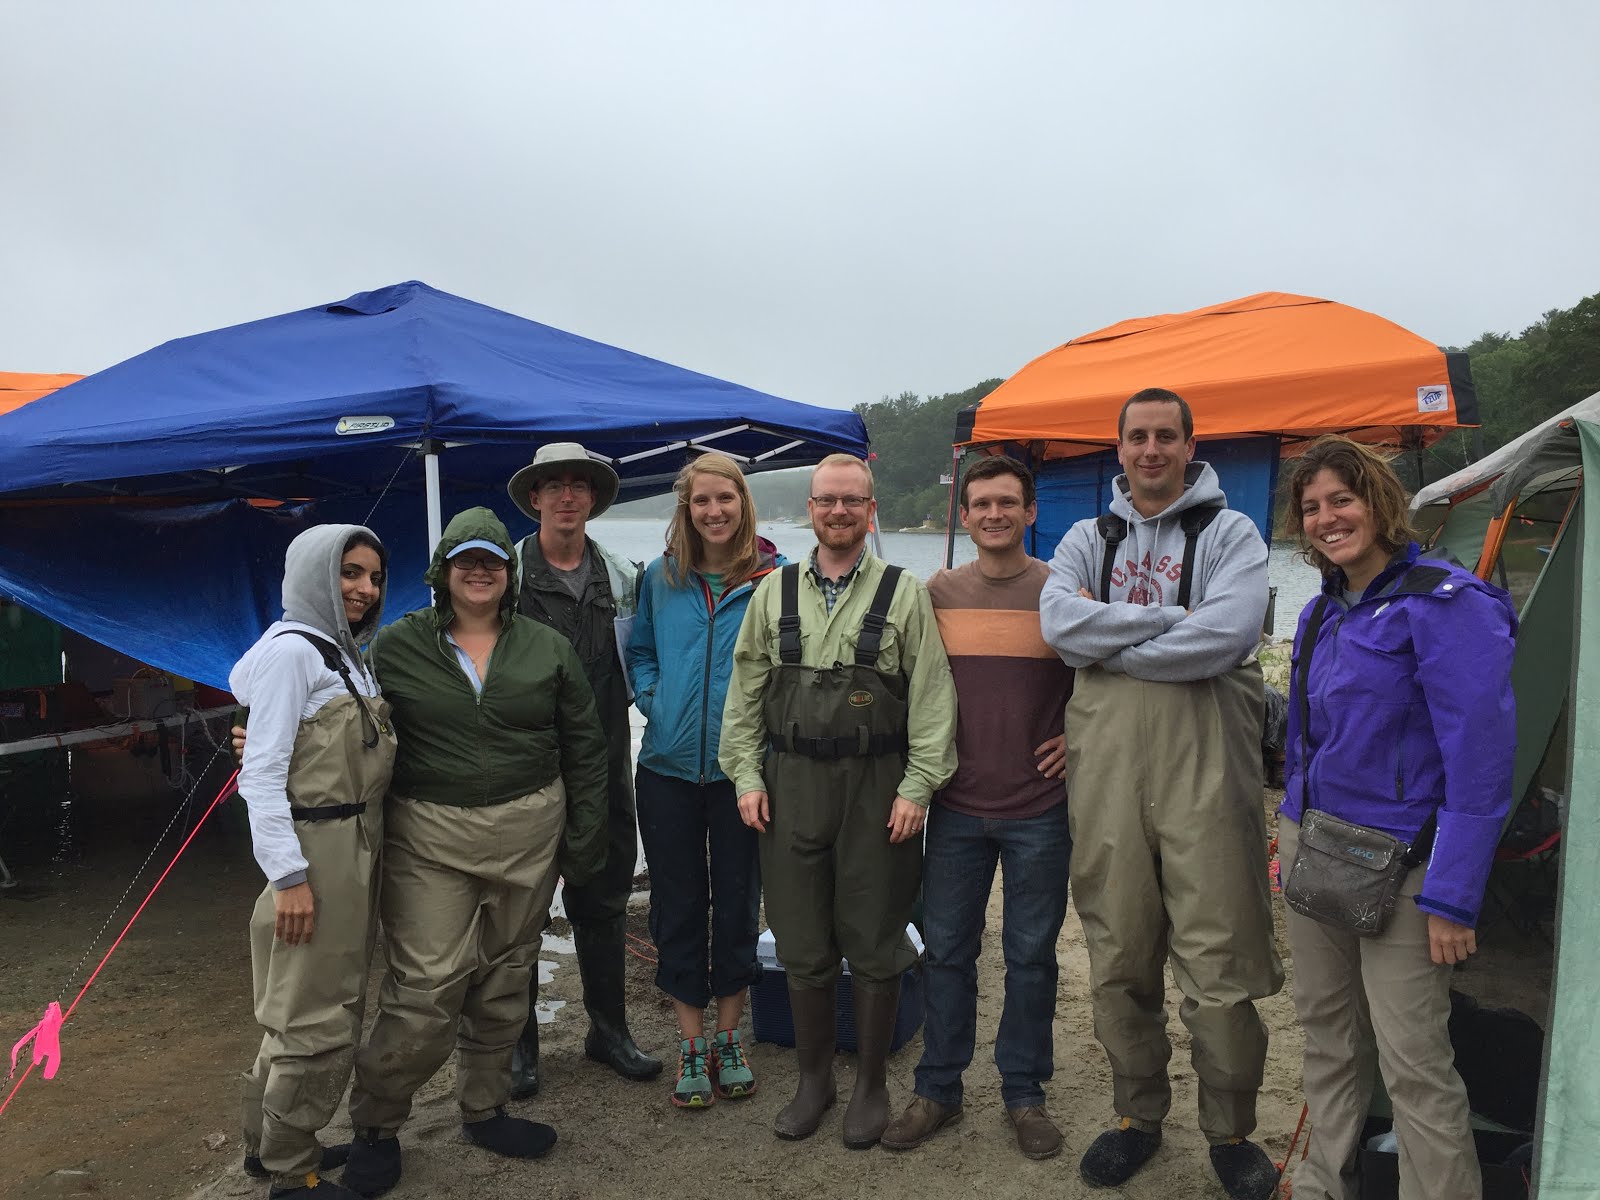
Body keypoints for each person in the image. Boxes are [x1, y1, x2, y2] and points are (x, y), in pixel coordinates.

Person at [1039, 388, 1283, 1199]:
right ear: (1120, 448)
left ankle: (1232, 1131)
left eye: (1165, 436)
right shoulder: (1086, 537)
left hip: (1208, 776)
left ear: (1188, 445)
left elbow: (1229, 635)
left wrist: (1110, 637)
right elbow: (1059, 627)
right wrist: (1176, 619)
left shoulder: (1231, 533)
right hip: (1108, 777)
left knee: (1220, 962)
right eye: (1137, 436)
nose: (1151, 450)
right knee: (1119, 955)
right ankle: (1137, 1116)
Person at [339, 508, 610, 1197]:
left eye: (492, 560)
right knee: (426, 987)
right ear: (442, 572)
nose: (480, 571)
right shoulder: (395, 646)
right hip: (430, 838)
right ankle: (375, 1124)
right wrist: (256, 728)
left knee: (506, 977)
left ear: (510, 573)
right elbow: (332, 703)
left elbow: (585, 747)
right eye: (467, 561)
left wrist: (584, 841)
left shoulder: (547, 647)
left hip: (530, 834)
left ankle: (485, 1107)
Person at [1278, 436, 1516, 1200]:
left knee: (1414, 1059)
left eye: (1341, 500)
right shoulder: (1321, 611)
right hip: (1319, 848)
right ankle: (1326, 1181)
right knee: (1328, 1036)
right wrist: (1290, 835)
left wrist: (1454, 896)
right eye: (1312, 507)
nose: (1327, 518)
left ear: (1379, 503)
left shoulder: (1447, 605)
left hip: (1409, 863)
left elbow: (1481, 764)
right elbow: (1304, 743)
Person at [720, 452, 957, 1148]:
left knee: (877, 937)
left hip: (877, 785)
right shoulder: (773, 592)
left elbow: (933, 698)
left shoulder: (905, 593)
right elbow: (744, 694)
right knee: (800, 938)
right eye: (827, 500)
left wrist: (918, 787)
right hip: (789, 783)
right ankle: (814, 1081)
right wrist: (746, 777)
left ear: (870, 510)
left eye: (852, 501)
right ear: (811, 509)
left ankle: (871, 1084)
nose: (839, 512)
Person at [881, 455, 1074, 1160]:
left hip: (1041, 808)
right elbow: (907, 685)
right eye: (982, 504)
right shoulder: (938, 593)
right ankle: (939, 1089)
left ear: (1030, 512)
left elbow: (1104, 678)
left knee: (1032, 958)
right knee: (947, 954)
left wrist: (1079, 734)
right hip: (956, 806)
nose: (994, 514)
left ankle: (1024, 1094)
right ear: (963, 516)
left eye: (1007, 502)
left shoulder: (1062, 591)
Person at [232, 525, 397, 1200]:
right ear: (312, 575)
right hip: (318, 849)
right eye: (349, 573)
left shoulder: (341, 653)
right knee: (317, 1015)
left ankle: (264, 1143)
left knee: (300, 1002)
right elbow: (260, 775)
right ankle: (290, 1171)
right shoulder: (293, 653)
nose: (364, 590)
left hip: (353, 840)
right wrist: (290, 877)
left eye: (374, 577)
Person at [625, 453, 783, 1108]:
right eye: (701, 501)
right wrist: (655, 699)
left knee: (739, 899)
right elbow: (640, 651)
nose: (714, 511)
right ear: (685, 510)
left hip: (742, 773)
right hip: (666, 767)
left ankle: (728, 1036)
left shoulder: (775, 580)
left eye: (725, 498)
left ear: (743, 503)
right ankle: (691, 1041)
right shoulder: (660, 578)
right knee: (678, 903)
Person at [504, 443, 662, 1095]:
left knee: (603, 898)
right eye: (554, 485)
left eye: (578, 485)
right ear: (534, 498)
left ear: (593, 499)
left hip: (605, 759)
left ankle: (608, 1032)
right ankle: (519, 1046)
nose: (566, 496)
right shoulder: (505, 572)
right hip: (525, 765)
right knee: (518, 908)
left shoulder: (625, 577)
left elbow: (644, 657)